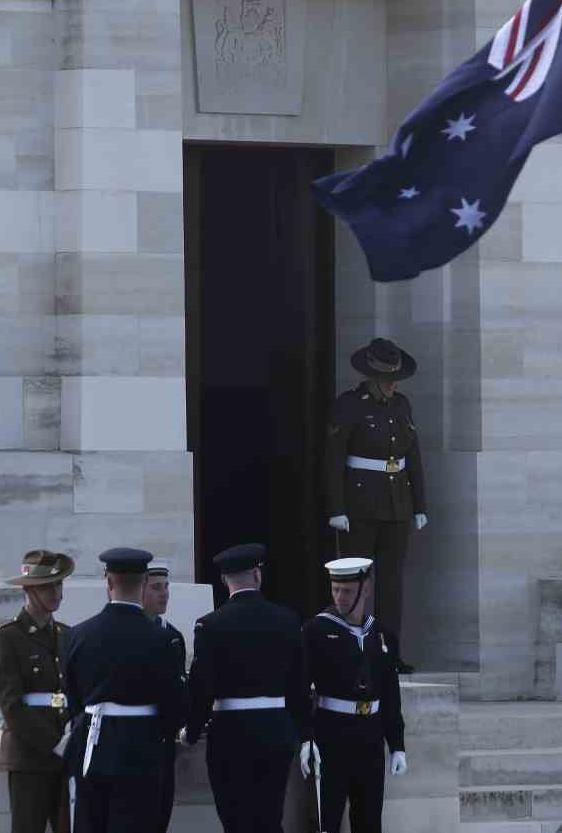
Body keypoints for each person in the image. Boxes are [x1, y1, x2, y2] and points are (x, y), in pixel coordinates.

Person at [185, 543, 307, 833]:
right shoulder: (287, 620)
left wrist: (190, 730)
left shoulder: (210, 625)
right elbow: (299, 685)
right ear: (257, 575)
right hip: (276, 730)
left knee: (235, 818)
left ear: (224, 580)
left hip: (231, 732)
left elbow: (202, 686)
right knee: (269, 816)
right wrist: (303, 733)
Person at [64, 548, 187, 833]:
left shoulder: (79, 634)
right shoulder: (161, 639)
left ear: (108, 583)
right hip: (142, 752)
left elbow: (72, 697)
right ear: (144, 582)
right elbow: (176, 707)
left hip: (92, 748)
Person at [324, 337, 428, 673]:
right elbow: (334, 459)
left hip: (397, 503)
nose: (391, 384)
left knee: (392, 583)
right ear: (371, 378)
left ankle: (389, 653)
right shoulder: (350, 405)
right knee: (355, 581)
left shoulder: (402, 405)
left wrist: (419, 504)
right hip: (360, 505)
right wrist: (336, 508)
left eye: (393, 379)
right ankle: (353, 648)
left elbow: (413, 456)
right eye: (385, 379)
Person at [297, 557, 407, 833]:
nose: (340, 597)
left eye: (346, 591)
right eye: (335, 590)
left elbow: (390, 694)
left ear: (365, 589)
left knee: (369, 819)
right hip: (332, 733)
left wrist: (397, 744)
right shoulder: (316, 631)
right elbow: (300, 689)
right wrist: (306, 738)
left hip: (370, 734)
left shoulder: (380, 634)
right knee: (328, 818)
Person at [0, 549, 77, 833]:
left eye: (58, 584)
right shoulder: (7, 638)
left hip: (65, 753)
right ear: (28, 589)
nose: (55, 592)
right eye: (46, 586)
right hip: (29, 757)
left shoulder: (67, 635)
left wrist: (72, 736)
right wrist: (54, 742)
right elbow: (11, 705)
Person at [142, 562, 186, 832]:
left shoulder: (173, 637)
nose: (165, 594)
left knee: (161, 817)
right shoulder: (130, 634)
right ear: (140, 589)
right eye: (156, 587)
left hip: (164, 745)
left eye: (167, 587)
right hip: (135, 741)